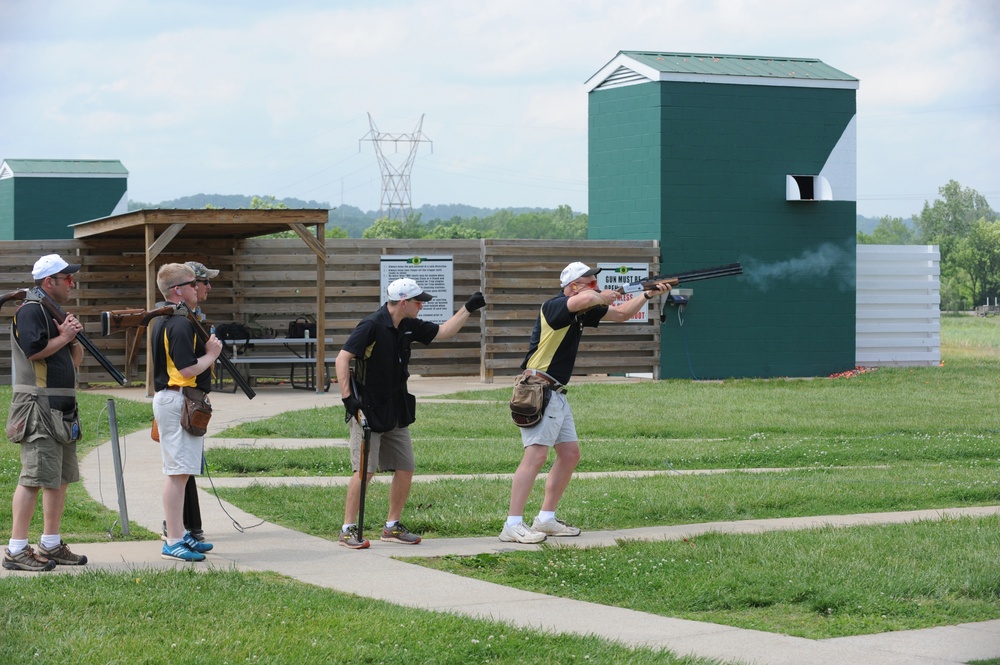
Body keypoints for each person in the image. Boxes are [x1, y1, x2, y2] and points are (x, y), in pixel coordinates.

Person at [499, 262, 669, 544]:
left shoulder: (580, 311)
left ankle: (546, 518)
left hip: (555, 392)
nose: (595, 285)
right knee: (536, 456)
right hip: (538, 389)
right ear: (573, 287)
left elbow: (623, 314)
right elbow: (592, 298)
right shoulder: (554, 306)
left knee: (570, 454)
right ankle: (512, 523)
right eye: (590, 281)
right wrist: (602, 295)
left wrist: (648, 295)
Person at [336, 278, 486, 549]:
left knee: (405, 468)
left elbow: (443, 332)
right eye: (418, 301)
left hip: (397, 408)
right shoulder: (371, 325)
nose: (422, 305)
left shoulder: (407, 325)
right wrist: (349, 400)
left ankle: (392, 526)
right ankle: (347, 529)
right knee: (365, 472)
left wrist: (468, 308)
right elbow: (342, 358)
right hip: (368, 410)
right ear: (403, 302)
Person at [3, 254, 89, 571]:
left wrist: (73, 342)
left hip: (61, 407)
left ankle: (50, 544)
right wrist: (65, 336)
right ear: (48, 282)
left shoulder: (52, 313)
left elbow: (69, 364)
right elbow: (34, 350)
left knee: (59, 479)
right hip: (38, 407)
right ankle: (16, 550)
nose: (71, 282)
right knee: (33, 479)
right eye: (66, 277)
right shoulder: (30, 311)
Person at [151, 263, 222, 562]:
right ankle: (174, 540)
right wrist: (211, 355)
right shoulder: (178, 324)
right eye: (194, 284)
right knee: (177, 473)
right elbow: (185, 370)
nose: (200, 287)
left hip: (180, 399)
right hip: (178, 397)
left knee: (181, 472)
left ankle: (181, 533)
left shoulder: (175, 319)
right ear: (178, 290)